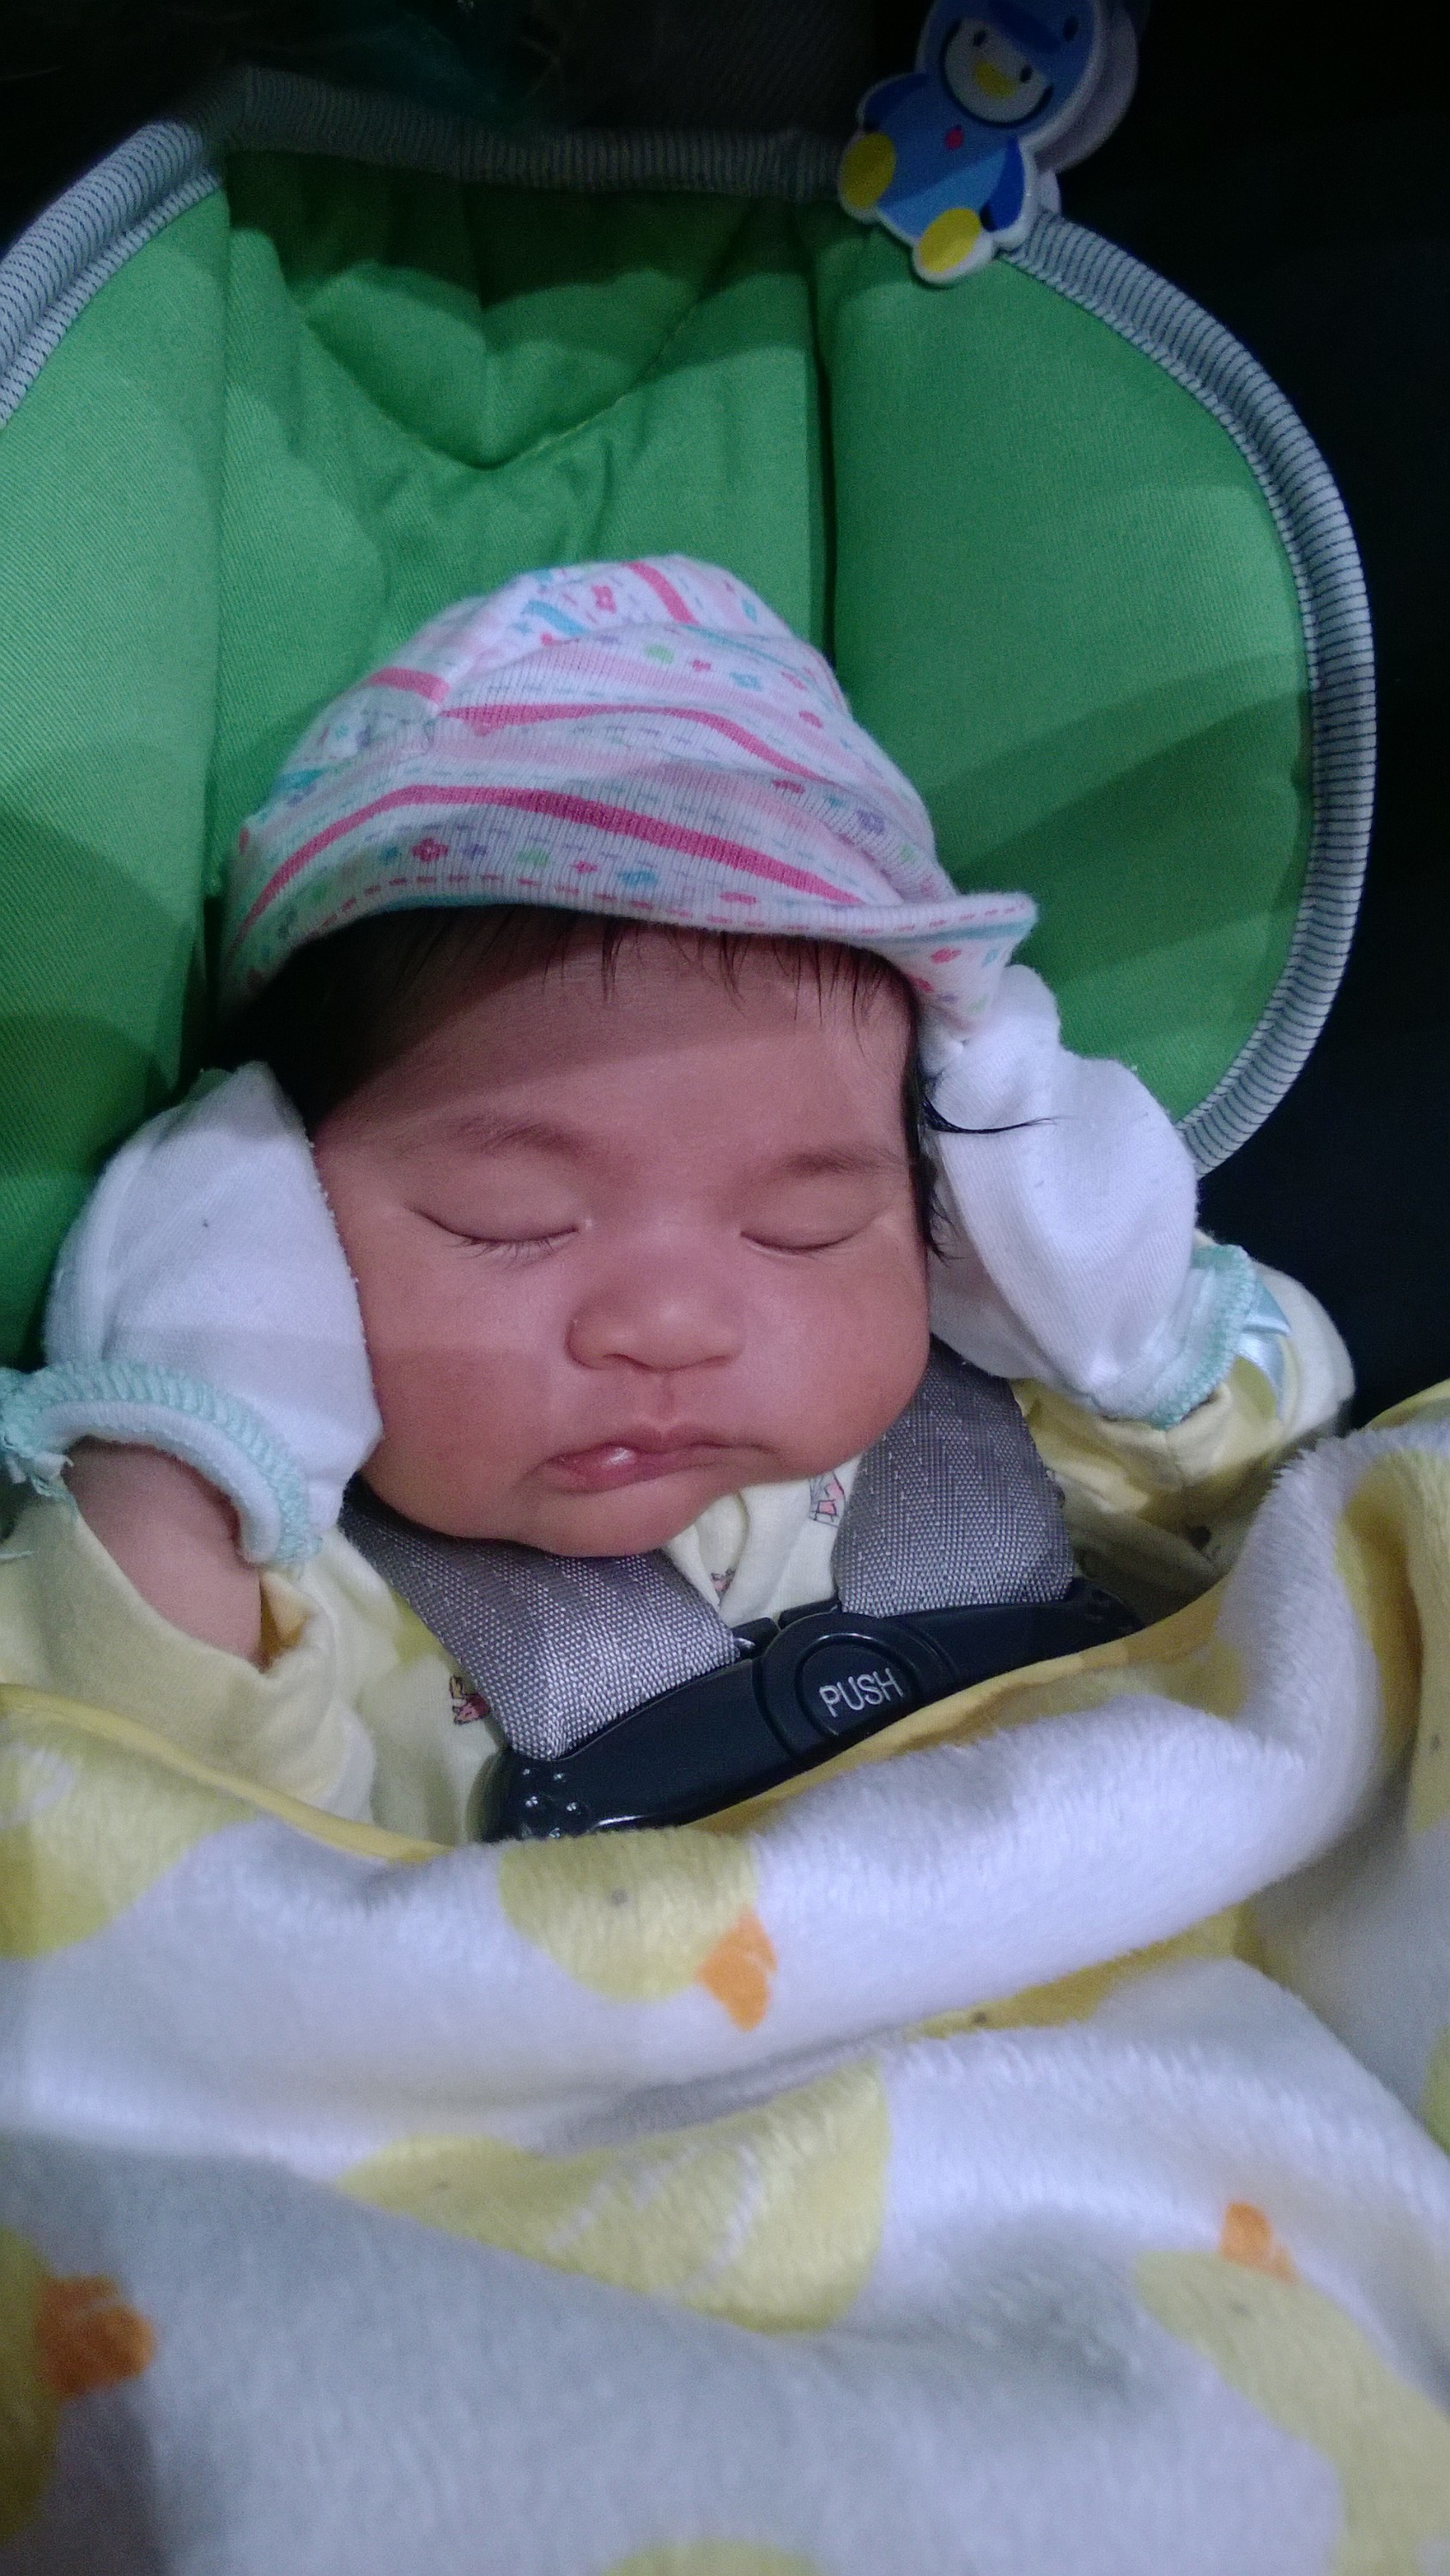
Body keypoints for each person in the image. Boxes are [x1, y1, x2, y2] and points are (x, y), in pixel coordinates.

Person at [0, 559, 1350, 1840]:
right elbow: (125, 1815)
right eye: (508, 1218)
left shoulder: (1019, 1425)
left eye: (803, 1228)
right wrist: (186, 1455)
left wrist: (1117, 1303)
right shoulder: (297, 1602)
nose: (666, 1327)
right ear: (278, 1217)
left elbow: (1281, 1491)